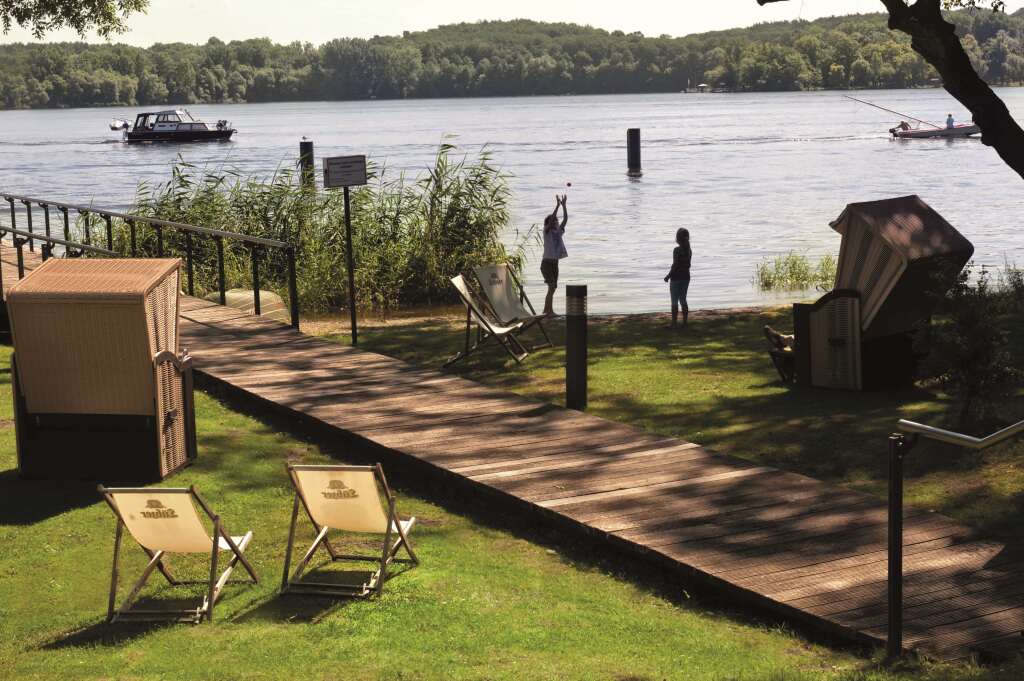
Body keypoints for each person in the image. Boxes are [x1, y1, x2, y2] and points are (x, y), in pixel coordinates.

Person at [541, 194, 567, 316]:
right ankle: (548, 311)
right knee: (551, 287)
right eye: (555, 221)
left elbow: (565, 220)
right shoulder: (546, 232)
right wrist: (557, 206)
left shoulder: (558, 232)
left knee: (553, 288)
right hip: (546, 264)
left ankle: (547, 310)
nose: (557, 222)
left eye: (557, 221)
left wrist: (564, 206)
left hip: (555, 264)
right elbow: (551, 220)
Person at [663, 228, 691, 328]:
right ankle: (685, 323)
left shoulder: (677, 250)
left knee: (674, 301)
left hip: (676, 277)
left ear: (678, 239)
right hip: (686, 277)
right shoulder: (689, 251)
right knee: (683, 299)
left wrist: (668, 276)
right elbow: (687, 265)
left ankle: (674, 324)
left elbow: (675, 265)